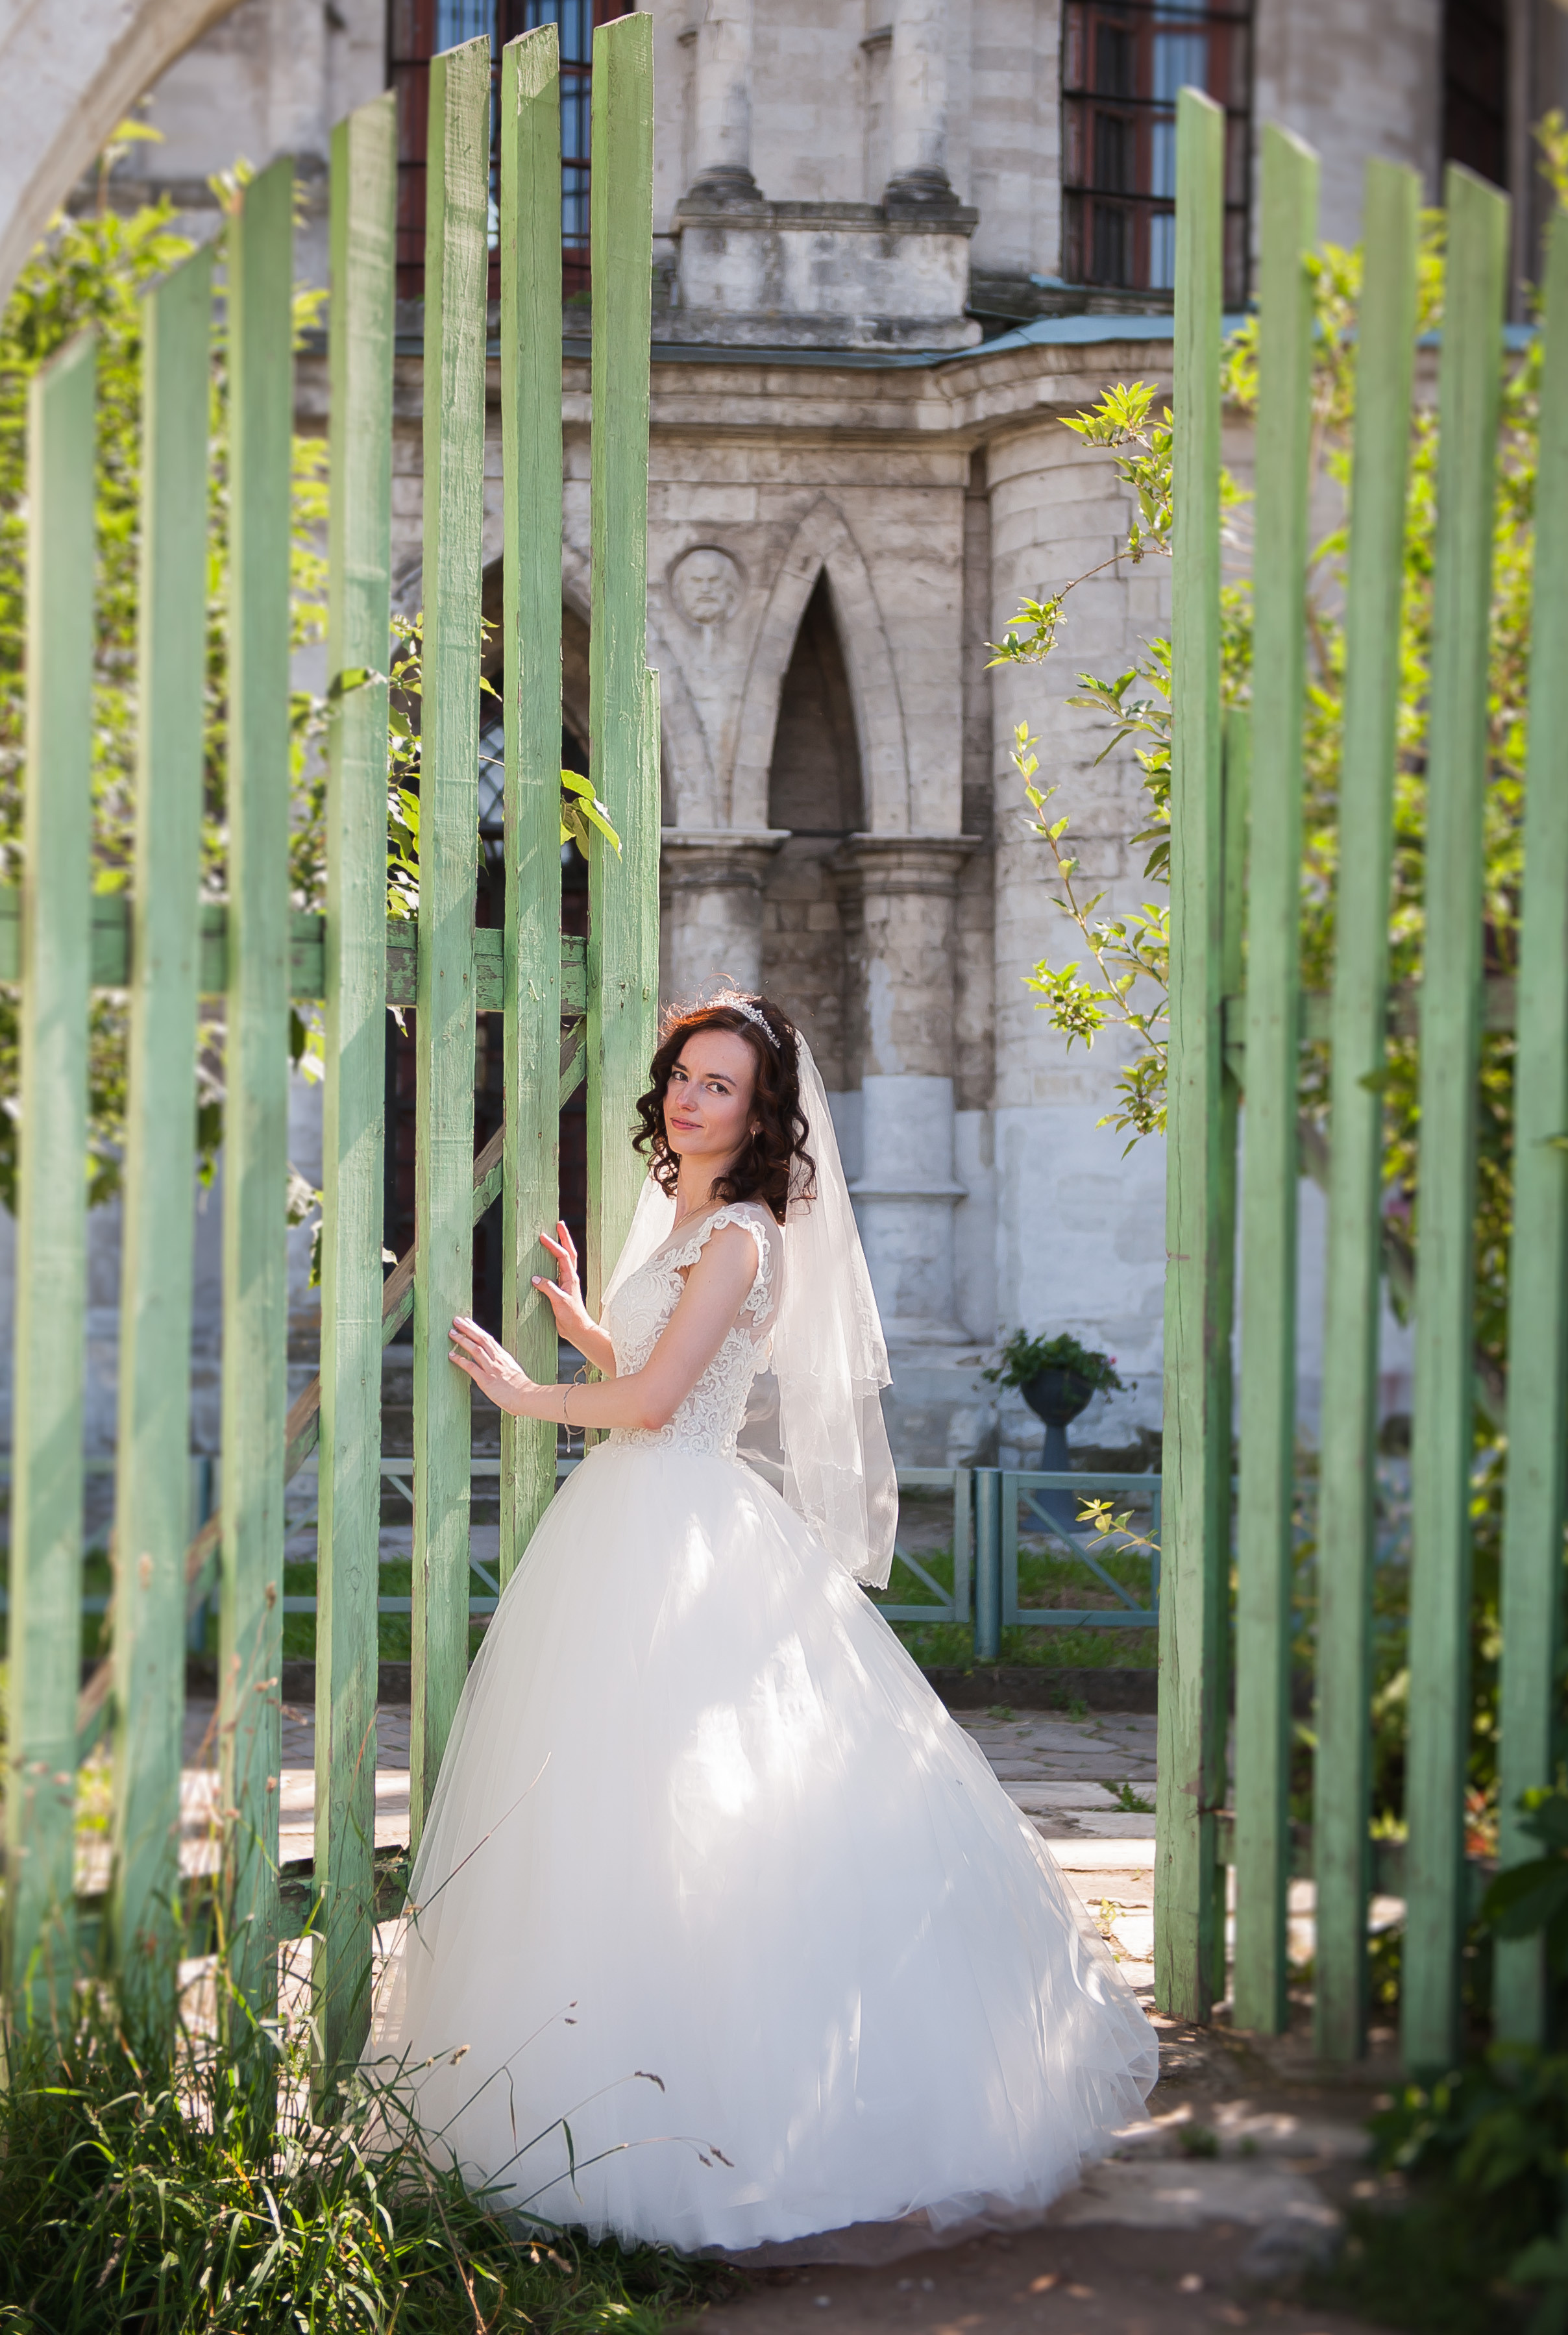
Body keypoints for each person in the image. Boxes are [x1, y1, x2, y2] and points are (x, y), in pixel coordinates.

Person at [367, 992, 1157, 2262]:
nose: (689, 1097)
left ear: (762, 1108)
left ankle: (744, 2129)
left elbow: (658, 1399)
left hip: (676, 1523)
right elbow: (657, 1353)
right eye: (683, 1073)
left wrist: (528, 1390)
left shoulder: (738, 1231)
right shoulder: (684, 1215)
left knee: (708, 1807)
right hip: (629, 1520)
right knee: (611, 1815)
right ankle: (594, 2099)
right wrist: (585, 1317)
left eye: (720, 1083)